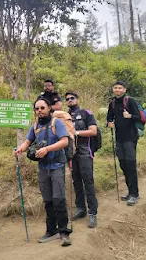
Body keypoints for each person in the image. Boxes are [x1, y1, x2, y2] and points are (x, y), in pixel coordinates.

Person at [15, 97, 72, 247]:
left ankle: (64, 232)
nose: (39, 111)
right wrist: (21, 149)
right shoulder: (35, 126)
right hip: (43, 167)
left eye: (42, 108)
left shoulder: (56, 122)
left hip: (57, 165)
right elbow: (28, 141)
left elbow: (65, 141)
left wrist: (47, 149)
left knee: (59, 199)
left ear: (48, 109)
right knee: (48, 200)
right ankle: (51, 230)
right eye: (37, 108)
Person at [65, 92, 98, 228]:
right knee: (76, 181)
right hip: (71, 152)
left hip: (84, 151)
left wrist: (76, 133)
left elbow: (93, 131)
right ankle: (81, 209)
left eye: (72, 98)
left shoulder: (86, 113)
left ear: (77, 99)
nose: (70, 100)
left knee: (88, 180)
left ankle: (92, 213)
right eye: (67, 99)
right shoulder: (64, 116)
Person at [107, 80, 141, 206]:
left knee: (130, 165)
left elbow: (138, 116)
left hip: (130, 138)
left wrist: (130, 116)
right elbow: (109, 117)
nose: (117, 90)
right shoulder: (112, 103)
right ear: (113, 89)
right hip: (119, 139)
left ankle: (134, 194)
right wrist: (109, 122)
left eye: (120, 88)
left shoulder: (130, 101)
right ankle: (130, 191)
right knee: (123, 165)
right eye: (115, 87)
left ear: (124, 89)